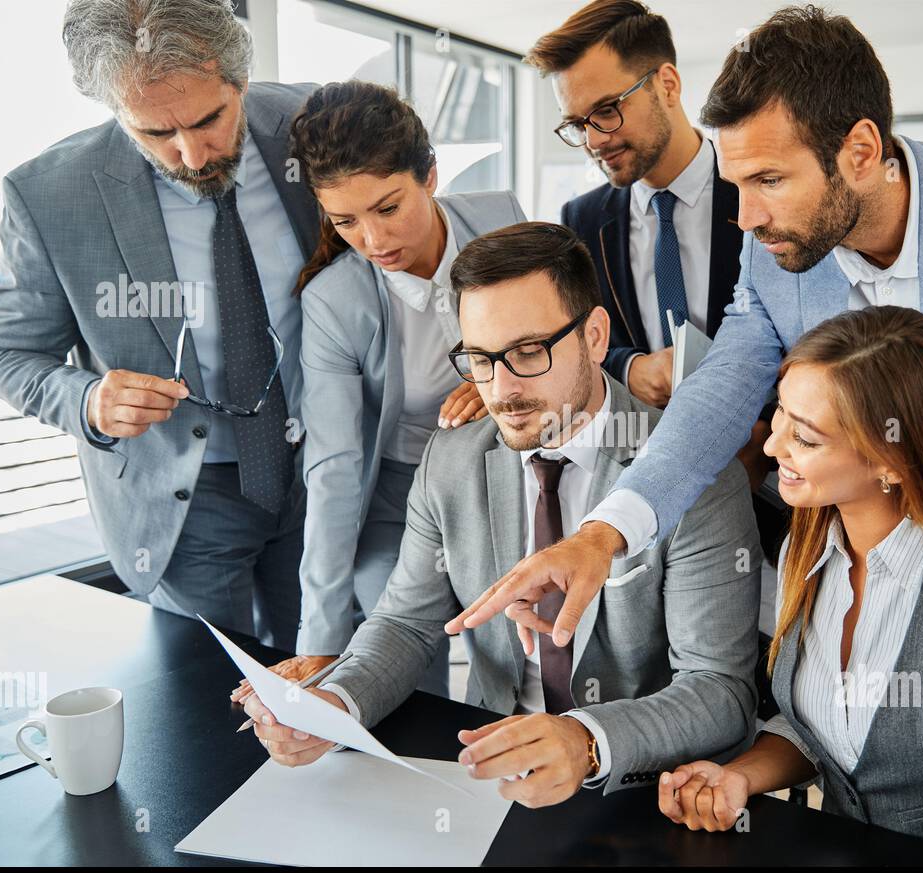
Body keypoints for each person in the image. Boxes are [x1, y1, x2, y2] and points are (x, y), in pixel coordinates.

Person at [449, 4, 923, 865]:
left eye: (768, 181)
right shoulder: (781, 249)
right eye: (736, 185)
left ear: (862, 152)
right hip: (883, 568)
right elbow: (719, 393)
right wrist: (604, 532)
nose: (746, 218)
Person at [239, 222, 761, 807]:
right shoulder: (453, 457)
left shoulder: (694, 474)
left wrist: (586, 741)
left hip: (644, 790)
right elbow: (405, 625)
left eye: (528, 352)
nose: (501, 389)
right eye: (480, 359)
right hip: (488, 778)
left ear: (594, 335)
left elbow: (720, 691)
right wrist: (334, 707)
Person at [658, 306, 923, 866]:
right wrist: (741, 777)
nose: (771, 447)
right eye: (779, 415)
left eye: (804, 438)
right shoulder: (806, 549)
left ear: (892, 461)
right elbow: (831, 727)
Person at [0, 0, 316, 649]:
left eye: (210, 119)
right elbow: (6, 354)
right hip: (185, 497)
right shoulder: (48, 195)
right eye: (156, 133)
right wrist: (89, 400)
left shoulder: (318, 125)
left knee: (336, 673)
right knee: (211, 694)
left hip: (323, 467)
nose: (191, 154)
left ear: (239, 76)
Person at [230, 81, 525, 699]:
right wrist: (319, 638)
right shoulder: (334, 300)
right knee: (400, 672)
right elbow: (334, 467)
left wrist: (499, 382)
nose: (372, 240)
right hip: (398, 497)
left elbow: (558, 349)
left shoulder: (502, 221)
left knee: (511, 665)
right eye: (345, 220)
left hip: (509, 480)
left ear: (431, 176)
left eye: (388, 207)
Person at [527, 0, 786, 565]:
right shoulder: (582, 220)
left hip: (774, 487)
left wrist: (765, 439)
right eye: (577, 124)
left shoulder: (761, 195)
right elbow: (575, 345)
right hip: (639, 493)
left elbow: (807, 334)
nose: (594, 139)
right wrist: (627, 366)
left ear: (667, 83)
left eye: (606, 110)